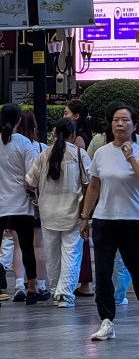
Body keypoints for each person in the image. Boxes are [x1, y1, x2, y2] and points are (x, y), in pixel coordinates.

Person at [79, 102, 139, 341]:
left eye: (125, 120)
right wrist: (85, 216)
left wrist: (131, 158)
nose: (120, 124)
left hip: (132, 220)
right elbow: (94, 185)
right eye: (115, 120)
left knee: (137, 269)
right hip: (104, 219)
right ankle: (106, 321)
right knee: (102, 272)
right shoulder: (101, 153)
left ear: (134, 126)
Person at [24, 118, 89, 307]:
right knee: (71, 253)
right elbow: (90, 181)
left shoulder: (43, 155)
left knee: (52, 253)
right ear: (73, 135)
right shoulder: (79, 154)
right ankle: (65, 293)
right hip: (73, 213)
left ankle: (55, 290)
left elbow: (29, 182)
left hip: (47, 212)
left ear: (54, 134)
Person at [0, 103, 45, 304]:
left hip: (1, 203)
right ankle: (33, 288)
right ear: (19, 120)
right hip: (21, 204)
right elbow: (31, 176)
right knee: (27, 247)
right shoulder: (25, 144)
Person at [63, 99, 94, 298]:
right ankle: (80, 282)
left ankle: (83, 283)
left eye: (67, 113)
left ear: (76, 116)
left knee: (78, 241)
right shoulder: (78, 138)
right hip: (75, 197)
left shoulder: (78, 141)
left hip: (76, 197)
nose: (64, 115)